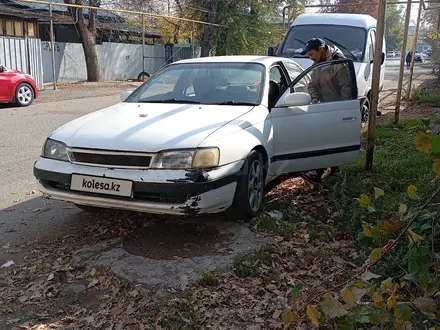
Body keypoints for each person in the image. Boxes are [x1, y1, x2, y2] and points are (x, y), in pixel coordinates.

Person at [299, 38, 351, 184]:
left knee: (328, 140)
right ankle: (328, 169)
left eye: (311, 54)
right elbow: (312, 86)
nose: (310, 57)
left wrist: (343, 108)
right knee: (322, 139)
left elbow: (346, 88)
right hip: (322, 108)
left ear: (321, 49)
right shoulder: (316, 64)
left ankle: (320, 171)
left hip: (336, 108)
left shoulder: (338, 63)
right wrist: (314, 100)